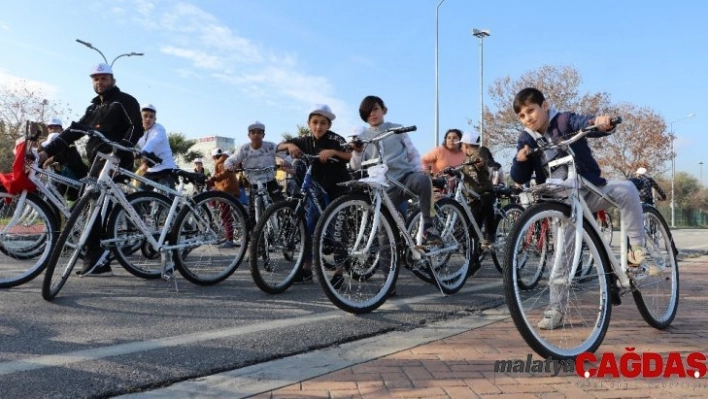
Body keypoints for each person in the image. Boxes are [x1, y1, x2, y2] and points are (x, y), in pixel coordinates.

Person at [509, 87, 646, 330]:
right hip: (563, 203)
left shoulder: (562, 120)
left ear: (545, 105)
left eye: (531, 110)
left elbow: (583, 123)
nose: (528, 117)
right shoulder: (527, 137)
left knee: (626, 190)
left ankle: (637, 252)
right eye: (522, 115)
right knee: (562, 257)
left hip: (589, 189)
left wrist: (600, 122)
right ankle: (556, 309)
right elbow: (519, 176)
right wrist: (520, 159)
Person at [37, 62, 144, 276]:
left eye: (103, 78)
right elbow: (73, 131)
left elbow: (136, 128)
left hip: (116, 161)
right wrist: (45, 152)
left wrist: (119, 153)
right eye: (95, 78)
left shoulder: (124, 101)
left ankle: (95, 254)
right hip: (96, 163)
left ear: (112, 80)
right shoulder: (93, 108)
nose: (99, 82)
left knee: (90, 202)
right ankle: (98, 256)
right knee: (88, 204)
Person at [350, 95, 440, 246]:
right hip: (384, 187)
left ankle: (428, 227)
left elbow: (412, 153)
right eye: (367, 112)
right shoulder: (362, 137)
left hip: (405, 178)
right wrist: (358, 151)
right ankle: (388, 268)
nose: (372, 114)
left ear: (384, 110)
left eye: (375, 109)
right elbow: (355, 165)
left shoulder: (397, 129)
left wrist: (419, 170)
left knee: (423, 181)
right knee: (385, 229)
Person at [278, 104, 352, 283]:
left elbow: (351, 155)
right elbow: (278, 147)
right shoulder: (304, 140)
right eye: (315, 122)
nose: (318, 126)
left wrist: (333, 152)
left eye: (323, 123)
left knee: (337, 230)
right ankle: (306, 269)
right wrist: (289, 145)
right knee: (309, 229)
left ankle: (339, 272)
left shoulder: (336, 139)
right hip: (317, 190)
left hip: (338, 188)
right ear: (309, 123)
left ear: (329, 125)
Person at [224, 121, 286, 230]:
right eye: (253, 132)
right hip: (254, 184)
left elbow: (285, 156)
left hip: (270, 182)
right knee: (252, 213)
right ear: (249, 135)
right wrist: (230, 166)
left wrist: (288, 162)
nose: (256, 135)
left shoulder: (271, 146)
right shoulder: (244, 149)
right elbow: (231, 159)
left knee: (281, 207)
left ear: (263, 135)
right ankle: (257, 241)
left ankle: (282, 233)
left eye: (259, 132)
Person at [453, 132, 499, 248]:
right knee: (473, 227)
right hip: (473, 196)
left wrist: (481, 161)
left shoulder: (479, 153)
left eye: (461, 145)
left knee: (486, 203)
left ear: (466, 145)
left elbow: (481, 158)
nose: (461, 148)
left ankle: (491, 234)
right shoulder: (466, 161)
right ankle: (474, 257)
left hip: (484, 192)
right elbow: (461, 172)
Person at [135, 104, 178, 190]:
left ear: (155, 119)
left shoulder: (159, 129)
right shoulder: (138, 131)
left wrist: (143, 152)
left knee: (165, 199)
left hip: (166, 168)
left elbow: (152, 142)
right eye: (145, 116)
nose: (148, 119)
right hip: (151, 170)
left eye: (151, 117)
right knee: (139, 196)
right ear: (140, 117)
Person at [40, 118, 82, 205]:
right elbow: (41, 155)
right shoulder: (48, 142)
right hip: (61, 177)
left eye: (56, 127)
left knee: (69, 201)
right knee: (52, 195)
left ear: (62, 130)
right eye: (51, 128)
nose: (53, 129)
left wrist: (49, 161)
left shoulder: (67, 141)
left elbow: (62, 156)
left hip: (75, 175)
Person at [207, 148, 241, 248]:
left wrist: (213, 179)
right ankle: (213, 207)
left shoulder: (222, 162)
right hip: (226, 189)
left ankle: (230, 240)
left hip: (227, 190)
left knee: (226, 216)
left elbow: (225, 174)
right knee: (225, 215)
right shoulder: (223, 160)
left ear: (213, 157)